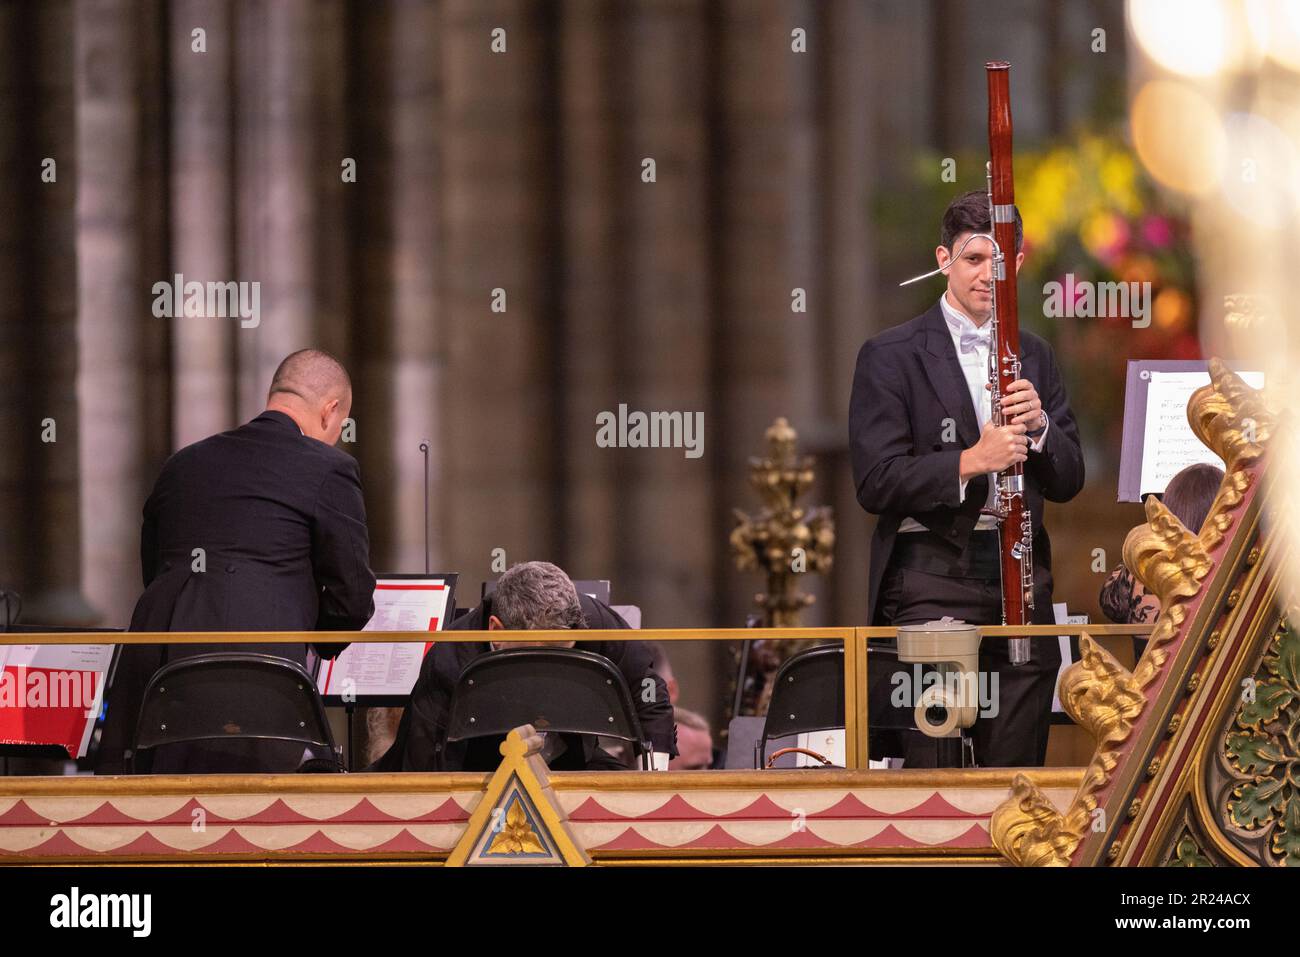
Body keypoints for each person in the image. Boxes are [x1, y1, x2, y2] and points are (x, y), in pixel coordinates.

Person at [849, 189, 1085, 768]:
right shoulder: (890, 355)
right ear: (943, 260)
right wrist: (971, 460)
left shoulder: (1036, 355)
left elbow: (1071, 478)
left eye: (1000, 261)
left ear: (1020, 263)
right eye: (973, 259)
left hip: (1020, 583)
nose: (987, 275)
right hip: (931, 579)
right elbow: (875, 481)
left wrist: (1042, 429)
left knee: (1015, 777)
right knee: (937, 771)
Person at [95, 349, 376, 773]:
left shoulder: (181, 464)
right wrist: (325, 641)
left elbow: (153, 570)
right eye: (339, 426)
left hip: (151, 673)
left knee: (144, 819)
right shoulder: (329, 468)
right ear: (330, 411)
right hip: (250, 680)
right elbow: (351, 594)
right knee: (247, 821)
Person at [372, 561, 676, 772]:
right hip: (477, 773)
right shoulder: (450, 659)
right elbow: (424, 760)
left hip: (572, 764)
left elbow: (647, 691)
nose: (548, 671)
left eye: (561, 652)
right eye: (535, 655)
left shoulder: (592, 623)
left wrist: (652, 782)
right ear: (496, 631)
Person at [1100, 462, 1223, 660]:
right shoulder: (1228, 569)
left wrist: (1156, 533)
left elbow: (1110, 604)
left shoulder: (1140, 570)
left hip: (1150, 690)